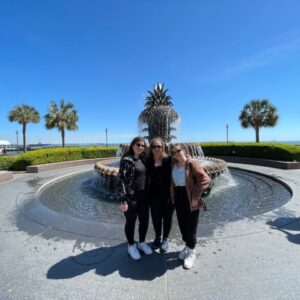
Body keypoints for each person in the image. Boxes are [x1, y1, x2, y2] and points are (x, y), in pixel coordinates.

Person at [170, 143, 211, 269]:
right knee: (182, 225)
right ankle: (187, 246)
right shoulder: (174, 165)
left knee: (191, 227)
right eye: (173, 152)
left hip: (190, 198)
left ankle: (192, 251)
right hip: (178, 197)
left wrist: (195, 198)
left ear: (184, 150)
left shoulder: (192, 163)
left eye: (178, 151)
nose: (176, 154)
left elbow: (205, 179)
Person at [118, 136, 153, 260]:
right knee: (131, 222)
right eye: (138, 144)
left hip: (144, 197)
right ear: (133, 145)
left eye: (143, 145)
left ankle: (142, 242)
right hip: (131, 197)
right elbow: (121, 180)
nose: (141, 147)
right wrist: (123, 200)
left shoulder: (144, 160)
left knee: (144, 221)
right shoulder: (127, 160)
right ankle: (131, 245)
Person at [147, 138, 174, 252]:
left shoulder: (168, 160)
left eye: (159, 146)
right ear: (151, 148)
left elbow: (182, 165)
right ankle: (158, 237)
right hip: (153, 195)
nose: (156, 148)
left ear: (163, 147)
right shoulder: (147, 160)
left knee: (167, 217)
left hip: (167, 194)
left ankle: (166, 239)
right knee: (156, 217)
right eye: (154, 146)